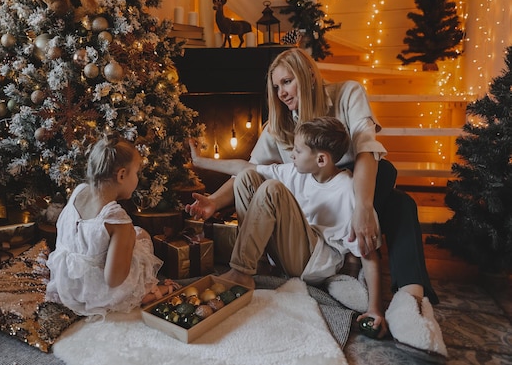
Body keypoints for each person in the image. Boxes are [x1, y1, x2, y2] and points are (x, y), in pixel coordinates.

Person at [185, 48, 447, 358]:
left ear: (308, 76)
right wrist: (213, 199)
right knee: (255, 182)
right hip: (299, 222)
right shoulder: (280, 127)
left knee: (397, 196)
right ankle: (250, 269)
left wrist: (363, 208)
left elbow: (366, 152)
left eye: (287, 82)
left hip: (348, 199)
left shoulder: (347, 95)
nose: (281, 93)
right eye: (275, 87)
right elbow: (248, 169)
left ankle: (409, 296)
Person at [190, 116, 388, 337]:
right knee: (246, 177)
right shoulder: (297, 172)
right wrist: (199, 161)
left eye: (298, 151)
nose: (292, 155)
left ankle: (241, 271)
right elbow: (244, 166)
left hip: (312, 263)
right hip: (289, 252)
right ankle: (255, 264)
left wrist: (375, 309)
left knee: (272, 189)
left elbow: (370, 255)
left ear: (321, 159)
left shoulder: (346, 190)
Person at [46, 133, 179, 319]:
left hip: (67, 282)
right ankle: (144, 293)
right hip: (96, 292)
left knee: (129, 238)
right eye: (136, 173)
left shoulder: (79, 191)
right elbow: (114, 280)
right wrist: (131, 239)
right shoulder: (116, 219)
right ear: (122, 175)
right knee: (142, 236)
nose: (137, 179)